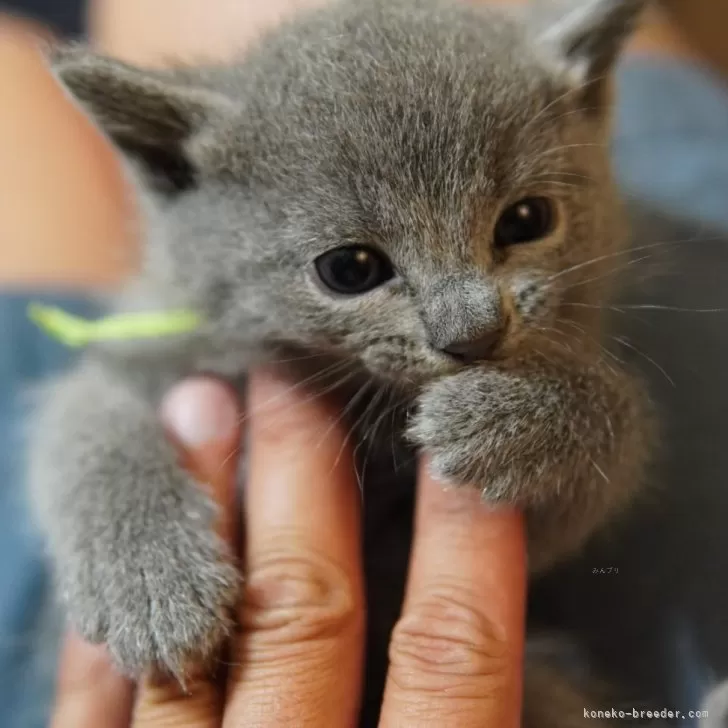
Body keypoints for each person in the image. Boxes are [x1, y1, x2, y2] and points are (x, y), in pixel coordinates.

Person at [2, 1, 728, 726]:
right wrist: (126, 512)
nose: (470, 323)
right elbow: (102, 401)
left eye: (522, 224)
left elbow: (548, 522)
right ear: (172, 164)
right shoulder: (207, 280)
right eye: (351, 268)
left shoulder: (572, 262)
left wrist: (572, 415)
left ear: (593, 93)